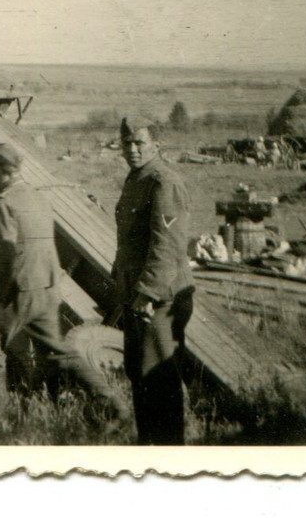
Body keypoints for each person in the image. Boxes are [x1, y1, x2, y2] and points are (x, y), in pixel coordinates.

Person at [0, 142, 73, 416]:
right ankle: (97, 403)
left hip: (20, 289)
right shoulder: (37, 196)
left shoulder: (4, 202)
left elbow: (5, 253)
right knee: (54, 352)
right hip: (48, 286)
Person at [113, 117, 196, 444]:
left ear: (156, 146)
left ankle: (167, 455)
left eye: (140, 143)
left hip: (160, 299)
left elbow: (168, 245)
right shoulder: (138, 179)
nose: (132, 150)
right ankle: (148, 448)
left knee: (157, 378)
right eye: (127, 144)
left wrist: (146, 294)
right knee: (140, 375)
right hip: (140, 296)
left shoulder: (164, 182)